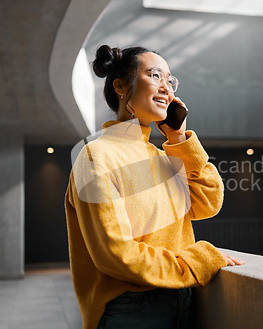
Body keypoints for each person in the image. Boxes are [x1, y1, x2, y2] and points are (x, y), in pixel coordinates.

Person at [64, 45, 244, 329]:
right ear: (121, 86)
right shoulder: (95, 156)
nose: (167, 89)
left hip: (182, 295)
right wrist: (193, 263)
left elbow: (207, 202)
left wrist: (179, 138)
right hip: (131, 309)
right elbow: (115, 254)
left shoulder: (162, 156)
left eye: (170, 81)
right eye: (155, 75)